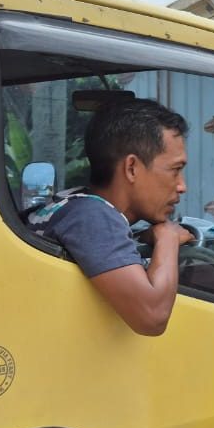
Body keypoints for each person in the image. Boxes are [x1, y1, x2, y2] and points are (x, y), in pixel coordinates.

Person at [28, 97, 193, 336]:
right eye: (175, 170)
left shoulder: (72, 204)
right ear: (132, 168)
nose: (181, 186)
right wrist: (168, 238)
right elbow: (152, 316)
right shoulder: (92, 217)